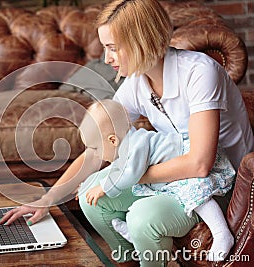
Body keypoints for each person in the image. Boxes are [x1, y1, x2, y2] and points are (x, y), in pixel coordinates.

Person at [0, 0, 254, 265]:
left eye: (113, 48)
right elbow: (99, 145)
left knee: (141, 217)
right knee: (91, 197)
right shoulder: (137, 83)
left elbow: (200, 164)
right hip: (178, 178)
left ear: (141, 41)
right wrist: (48, 198)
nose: (107, 58)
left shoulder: (200, 72)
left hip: (221, 183)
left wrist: (128, 176)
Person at [79, 99, 234, 261]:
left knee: (196, 194)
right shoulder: (125, 145)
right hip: (171, 174)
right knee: (160, 189)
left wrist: (104, 186)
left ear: (113, 140)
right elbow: (118, 168)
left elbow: (130, 174)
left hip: (188, 164)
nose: (95, 154)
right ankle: (135, 235)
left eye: (95, 149)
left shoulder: (136, 145)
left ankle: (221, 232)